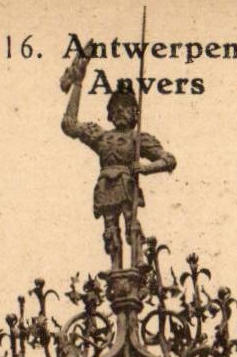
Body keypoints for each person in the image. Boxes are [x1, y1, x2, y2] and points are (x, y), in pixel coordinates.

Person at [60, 55, 176, 268]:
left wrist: (146, 168)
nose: (120, 110)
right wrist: (78, 83)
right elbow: (69, 124)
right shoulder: (101, 136)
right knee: (110, 227)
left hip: (126, 182)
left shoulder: (137, 138)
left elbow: (168, 159)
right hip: (105, 185)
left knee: (131, 221)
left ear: (134, 114)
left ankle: (137, 259)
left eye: (126, 106)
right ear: (110, 114)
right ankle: (115, 266)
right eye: (116, 107)